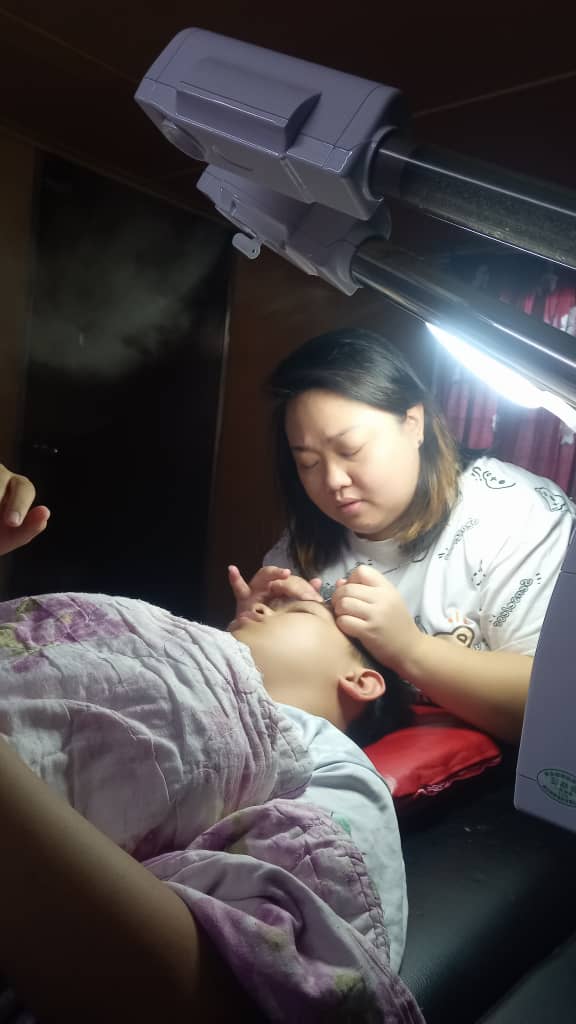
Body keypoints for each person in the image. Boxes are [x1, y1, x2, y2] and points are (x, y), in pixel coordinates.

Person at [0, 581, 419, 1023]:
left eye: (297, 612)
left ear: (361, 680)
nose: (255, 611)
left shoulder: (332, 766)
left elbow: (260, 991)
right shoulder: (166, 654)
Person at [229, 328, 575, 745]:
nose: (333, 480)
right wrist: (247, 641)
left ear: (414, 423)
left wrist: (410, 650)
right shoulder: (304, 542)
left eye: (350, 450)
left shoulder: (518, 516)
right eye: (308, 463)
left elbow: (560, 707)